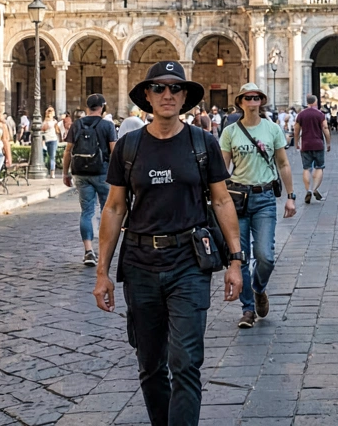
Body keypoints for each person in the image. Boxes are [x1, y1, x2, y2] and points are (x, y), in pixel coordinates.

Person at [91, 60, 243, 426]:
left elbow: (221, 201)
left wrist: (236, 261)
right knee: (150, 364)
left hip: (189, 263)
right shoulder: (128, 147)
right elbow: (113, 208)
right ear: (147, 95)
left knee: (186, 362)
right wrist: (102, 272)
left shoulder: (201, 142)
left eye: (175, 88)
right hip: (140, 265)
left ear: (185, 96)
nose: (167, 94)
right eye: (158, 88)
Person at [220, 83, 297, 328]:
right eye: (248, 98)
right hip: (237, 199)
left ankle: (258, 288)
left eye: (256, 98)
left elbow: (283, 163)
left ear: (261, 101)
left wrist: (291, 195)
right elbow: (222, 170)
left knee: (265, 256)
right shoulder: (230, 131)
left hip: (264, 198)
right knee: (239, 257)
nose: (252, 102)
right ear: (240, 102)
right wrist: (218, 200)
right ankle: (248, 309)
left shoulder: (272, 129)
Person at [64, 93, 118, 266]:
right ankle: (103, 251)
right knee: (106, 210)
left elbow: (68, 151)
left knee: (87, 212)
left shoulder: (76, 125)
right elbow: (114, 151)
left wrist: (65, 172)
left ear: (87, 107)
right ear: (102, 107)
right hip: (103, 172)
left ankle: (88, 251)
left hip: (80, 173)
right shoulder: (107, 125)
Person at [294, 95, 331, 204]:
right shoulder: (320, 114)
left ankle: (308, 190)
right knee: (319, 167)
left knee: (306, 168)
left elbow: (296, 130)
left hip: (305, 144)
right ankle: (314, 189)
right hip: (318, 144)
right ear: (316, 102)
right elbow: (325, 128)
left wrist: (296, 143)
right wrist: (328, 142)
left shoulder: (301, 114)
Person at [40, 107, 61, 175]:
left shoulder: (44, 122)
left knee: (45, 156)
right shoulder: (54, 122)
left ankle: (46, 170)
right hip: (53, 140)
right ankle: (52, 173)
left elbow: (42, 131)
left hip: (46, 140)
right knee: (52, 157)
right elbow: (57, 131)